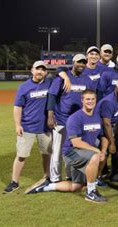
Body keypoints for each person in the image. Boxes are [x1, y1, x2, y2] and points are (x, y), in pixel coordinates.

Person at [26, 90, 109, 203]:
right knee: (94, 156)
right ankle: (91, 192)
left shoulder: (97, 117)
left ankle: (46, 187)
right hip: (71, 152)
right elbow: (76, 143)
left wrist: (103, 150)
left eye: (93, 99)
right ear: (82, 100)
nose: (90, 101)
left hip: (85, 152)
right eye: (87, 99)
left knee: (77, 187)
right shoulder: (75, 118)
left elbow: (103, 137)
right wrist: (97, 151)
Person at [3, 61, 53, 194]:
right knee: (21, 155)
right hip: (27, 127)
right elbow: (17, 107)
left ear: (46, 72)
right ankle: (14, 181)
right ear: (32, 70)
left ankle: (47, 177)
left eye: (43, 70)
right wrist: (17, 125)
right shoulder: (24, 87)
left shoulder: (50, 83)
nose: (40, 72)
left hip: (45, 128)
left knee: (46, 154)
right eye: (38, 69)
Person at [47, 54, 95, 183]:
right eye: (79, 62)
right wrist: (50, 115)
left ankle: (70, 175)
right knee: (57, 150)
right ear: (73, 62)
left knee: (72, 150)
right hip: (61, 120)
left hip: (78, 121)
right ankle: (55, 178)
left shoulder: (87, 79)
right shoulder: (62, 77)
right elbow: (52, 95)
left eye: (84, 62)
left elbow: (91, 97)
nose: (82, 65)